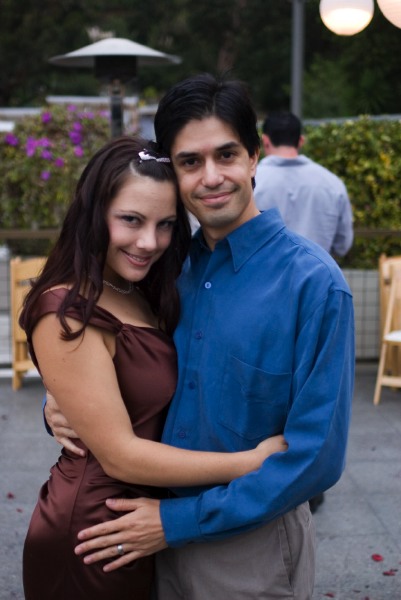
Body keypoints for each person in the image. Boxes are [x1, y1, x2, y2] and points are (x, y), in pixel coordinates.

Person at [46, 75, 355, 600]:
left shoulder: (314, 285)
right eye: (190, 162)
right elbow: (120, 369)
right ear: (173, 171)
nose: (211, 177)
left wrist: (178, 521)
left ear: (254, 156)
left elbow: (316, 458)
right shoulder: (163, 270)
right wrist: (62, 404)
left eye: (226, 155)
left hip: (249, 551)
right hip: (145, 540)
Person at [20, 135, 287, 600]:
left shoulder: (140, 287)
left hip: (146, 522)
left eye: (165, 225)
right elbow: (120, 455)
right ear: (94, 214)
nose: (149, 242)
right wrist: (251, 463)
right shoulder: (66, 307)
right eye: (131, 220)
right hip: (95, 531)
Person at [254, 111, 354, 257]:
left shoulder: (250, 182)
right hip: (318, 270)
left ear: (265, 140)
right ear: (301, 141)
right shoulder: (332, 184)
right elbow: (342, 245)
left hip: (263, 269)